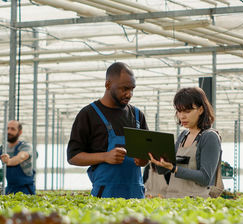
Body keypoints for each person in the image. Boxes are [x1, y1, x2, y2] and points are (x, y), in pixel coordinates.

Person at [67, 62, 149, 199]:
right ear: (108, 85)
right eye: (124, 89)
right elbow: (73, 157)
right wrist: (105, 156)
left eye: (132, 89)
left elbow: (146, 156)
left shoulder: (138, 116)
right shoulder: (88, 114)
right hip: (105, 195)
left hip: (136, 194)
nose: (129, 94)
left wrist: (143, 160)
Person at [149, 87, 223, 198]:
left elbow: (205, 178)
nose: (182, 116)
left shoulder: (209, 137)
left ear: (201, 110)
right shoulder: (183, 136)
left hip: (196, 203)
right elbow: (164, 170)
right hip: (174, 199)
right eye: (179, 111)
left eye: (187, 111)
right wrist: (157, 161)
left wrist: (174, 169)